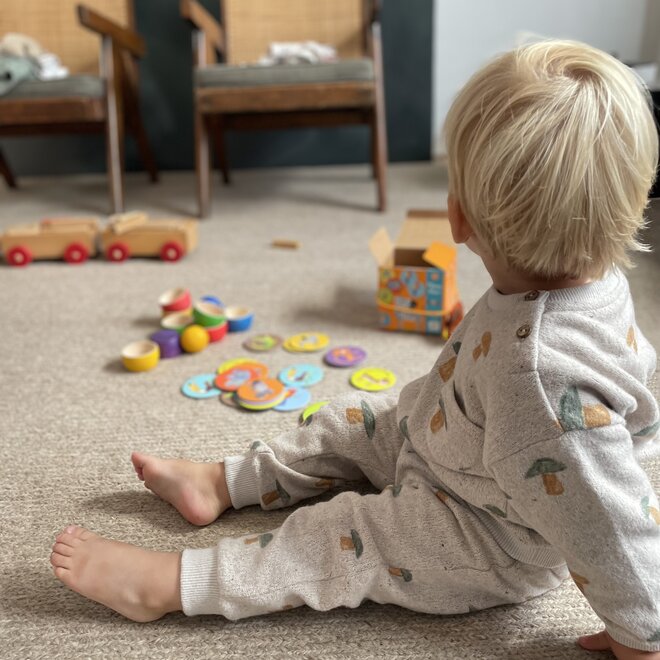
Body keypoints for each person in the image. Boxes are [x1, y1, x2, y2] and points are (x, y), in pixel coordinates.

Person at [50, 40, 660, 659]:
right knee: (350, 422)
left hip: (489, 534)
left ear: (458, 220)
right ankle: (221, 482)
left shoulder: (546, 391)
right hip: (449, 438)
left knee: (346, 532)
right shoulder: (587, 271)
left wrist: (643, 636)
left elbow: (609, 524)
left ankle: (170, 585)